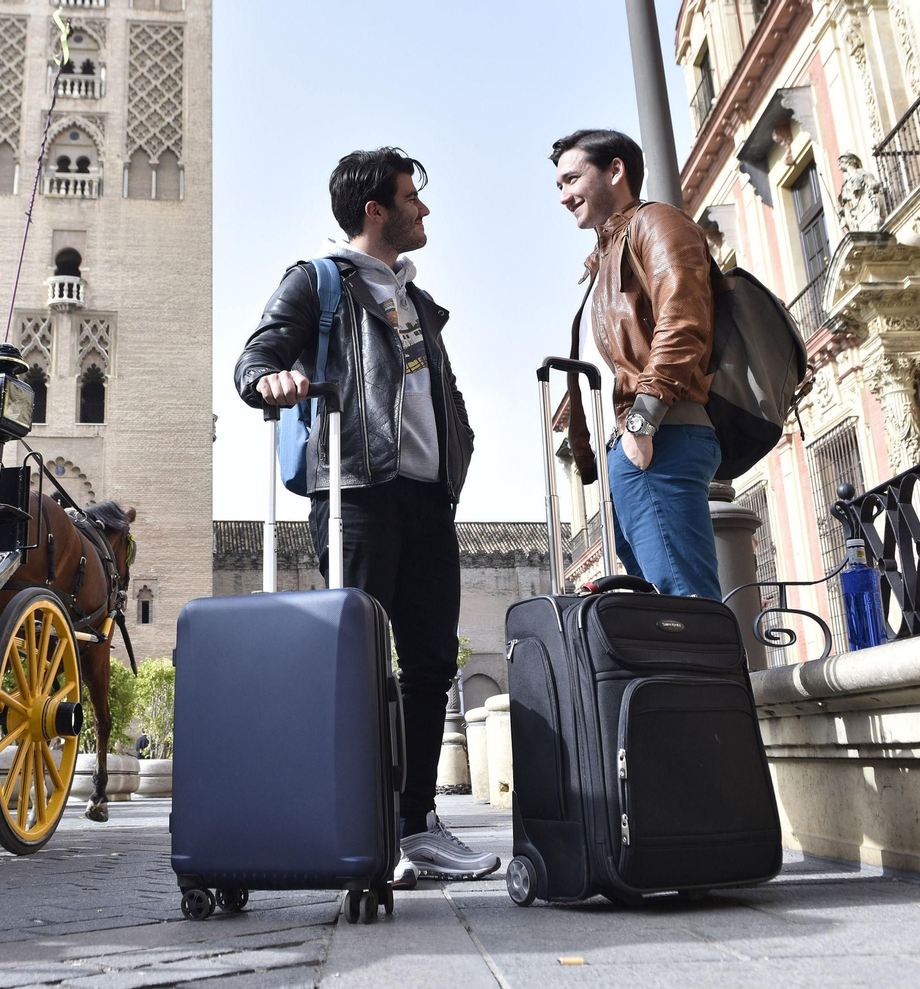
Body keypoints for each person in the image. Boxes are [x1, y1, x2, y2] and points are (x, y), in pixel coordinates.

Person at [234, 147, 494, 888]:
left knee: (431, 663)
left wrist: (458, 453)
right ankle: (363, 826)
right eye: (413, 197)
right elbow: (253, 361)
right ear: (375, 209)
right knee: (357, 664)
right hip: (353, 491)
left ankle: (417, 824)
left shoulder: (415, 299)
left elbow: (434, 394)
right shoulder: (318, 281)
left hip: (426, 499)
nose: (425, 210)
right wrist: (272, 380)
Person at [551, 129, 722, 599]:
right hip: (647, 440)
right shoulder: (609, 251)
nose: (564, 197)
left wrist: (643, 421)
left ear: (616, 170)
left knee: (684, 602)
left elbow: (683, 319)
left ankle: (708, 674)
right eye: (559, 186)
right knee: (663, 607)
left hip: (662, 433)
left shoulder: (658, 224)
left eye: (572, 180)